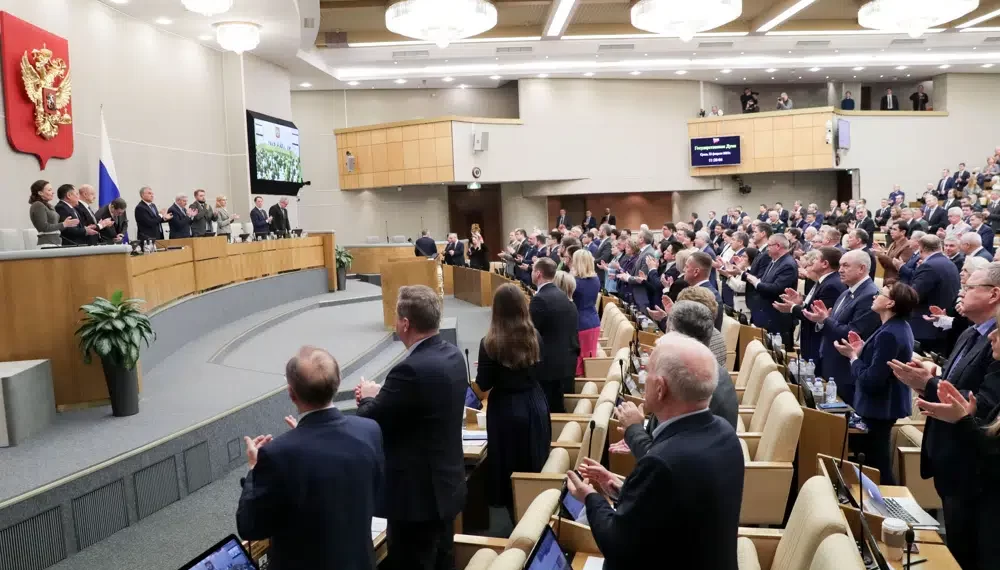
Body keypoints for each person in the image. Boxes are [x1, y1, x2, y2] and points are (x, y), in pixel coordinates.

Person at [567, 333, 743, 570]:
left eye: (647, 372)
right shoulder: (725, 434)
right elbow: (677, 508)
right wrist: (622, 490)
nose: (644, 379)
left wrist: (589, 497)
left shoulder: (662, 463)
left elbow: (617, 544)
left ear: (660, 388)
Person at [889, 264, 1000, 570]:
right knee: (958, 548)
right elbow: (955, 382)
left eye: (970, 286)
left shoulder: (996, 340)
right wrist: (933, 375)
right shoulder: (968, 332)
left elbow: (983, 404)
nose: (961, 290)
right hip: (948, 459)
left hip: (976, 469)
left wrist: (929, 383)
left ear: (994, 294)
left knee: (973, 555)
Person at [236, 346, 383, 570]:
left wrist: (255, 468)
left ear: (291, 393)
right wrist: (306, 441)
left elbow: (250, 526)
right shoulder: (369, 430)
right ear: (339, 381)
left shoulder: (277, 454)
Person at [355, 285, 466, 570]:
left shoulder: (409, 371)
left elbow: (372, 419)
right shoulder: (453, 354)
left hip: (416, 503)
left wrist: (368, 397)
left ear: (405, 324)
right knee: (442, 560)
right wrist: (386, 393)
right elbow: (421, 402)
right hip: (447, 487)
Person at [473, 283, 550, 520]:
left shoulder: (489, 343)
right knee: (534, 462)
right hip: (534, 403)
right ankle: (535, 516)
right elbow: (541, 371)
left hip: (505, 410)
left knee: (508, 468)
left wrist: (485, 370)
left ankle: (514, 518)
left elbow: (484, 384)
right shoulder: (535, 336)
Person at [917, 360, 1000, 570]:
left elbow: (993, 454)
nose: (992, 335)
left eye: (998, 330)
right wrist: (967, 418)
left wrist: (963, 421)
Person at [833, 282, 918, 484]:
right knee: (876, 459)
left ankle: (888, 505)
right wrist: (863, 349)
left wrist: (853, 357)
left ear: (890, 303)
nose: (874, 296)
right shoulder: (894, 326)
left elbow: (873, 379)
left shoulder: (889, 332)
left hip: (880, 406)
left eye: (880, 294)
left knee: (877, 463)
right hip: (882, 406)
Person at [801, 249, 881, 403]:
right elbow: (831, 323)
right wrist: (820, 320)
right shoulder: (846, 292)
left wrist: (825, 320)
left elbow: (852, 334)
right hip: (830, 362)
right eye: (840, 265)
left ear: (862, 268)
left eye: (846, 266)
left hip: (845, 369)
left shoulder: (869, 296)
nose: (840, 270)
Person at [774, 247, 845, 365]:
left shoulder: (831, 285)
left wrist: (792, 308)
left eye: (816, 259)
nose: (812, 262)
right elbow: (812, 307)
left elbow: (816, 315)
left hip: (817, 342)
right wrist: (801, 302)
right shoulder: (824, 281)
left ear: (825, 264)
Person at [529, 257, 580, 413]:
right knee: (557, 407)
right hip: (564, 364)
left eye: (532, 270)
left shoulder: (539, 300)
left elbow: (531, 334)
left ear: (538, 274)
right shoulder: (564, 297)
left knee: (547, 409)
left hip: (547, 367)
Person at [908, 235, 962, 354]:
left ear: (921, 248)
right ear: (940, 247)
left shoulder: (928, 266)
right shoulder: (949, 263)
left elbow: (913, 296)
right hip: (941, 325)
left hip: (925, 327)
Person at [745, 234, 798, 348]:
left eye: (769, 245)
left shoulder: (788, 264)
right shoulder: (774, 261)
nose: (767, 248)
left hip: (776, 318)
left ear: (778, 246)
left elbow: (776, 289)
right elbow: (766, 281)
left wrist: (756, 283)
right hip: (765, 314)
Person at [571, 250, 601, 375]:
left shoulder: (576, 283)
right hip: (593, 321)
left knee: (579, 362)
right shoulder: (595, 279)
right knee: (589, 359)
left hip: (580, 323)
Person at [28, 180, 79, 247]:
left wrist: (66, 225)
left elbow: (55, 227)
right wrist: (63, 224)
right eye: (49, 190)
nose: (53, 192)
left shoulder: (50, 206)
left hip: (56, 242)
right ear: (40, 193)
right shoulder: (38, 205)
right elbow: (43, 227)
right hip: (47, 244)